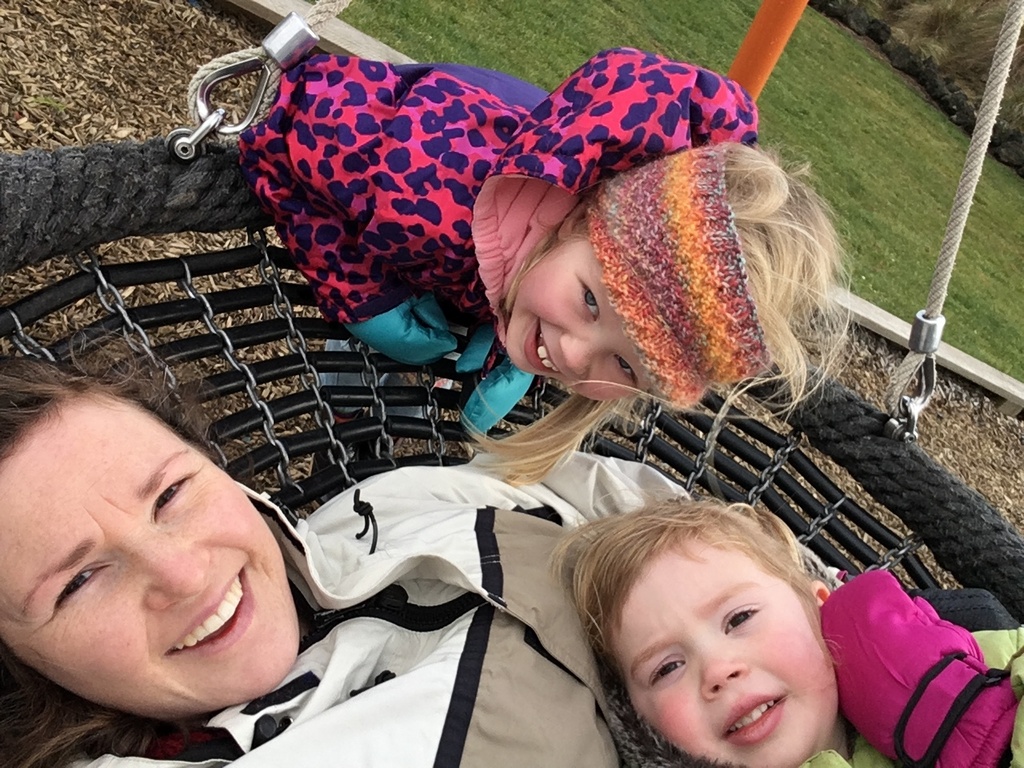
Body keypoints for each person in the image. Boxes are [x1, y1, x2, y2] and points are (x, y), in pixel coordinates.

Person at [0, 350, 686, 768]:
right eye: (78, 581)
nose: (183, 574)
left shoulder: (392, 505)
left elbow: (632, 507)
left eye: (171, 493)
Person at [238, 47, 847, 482]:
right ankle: (347, 433)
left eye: (626, 366)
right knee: (362, 367)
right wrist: (359, 292)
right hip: (397, 187)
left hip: (472, 262)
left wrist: (505, 333)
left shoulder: (567, 256)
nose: (575, 358)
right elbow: (287, 127)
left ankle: (373, 441)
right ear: (579, 217)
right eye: (590, 302)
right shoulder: (421, 190)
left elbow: (565, 294)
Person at [553, 498, 1024, 768]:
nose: (718, 670)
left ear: (819, 608)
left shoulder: (980, 669)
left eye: (739, 619)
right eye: (667, 667)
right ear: (638, 722)